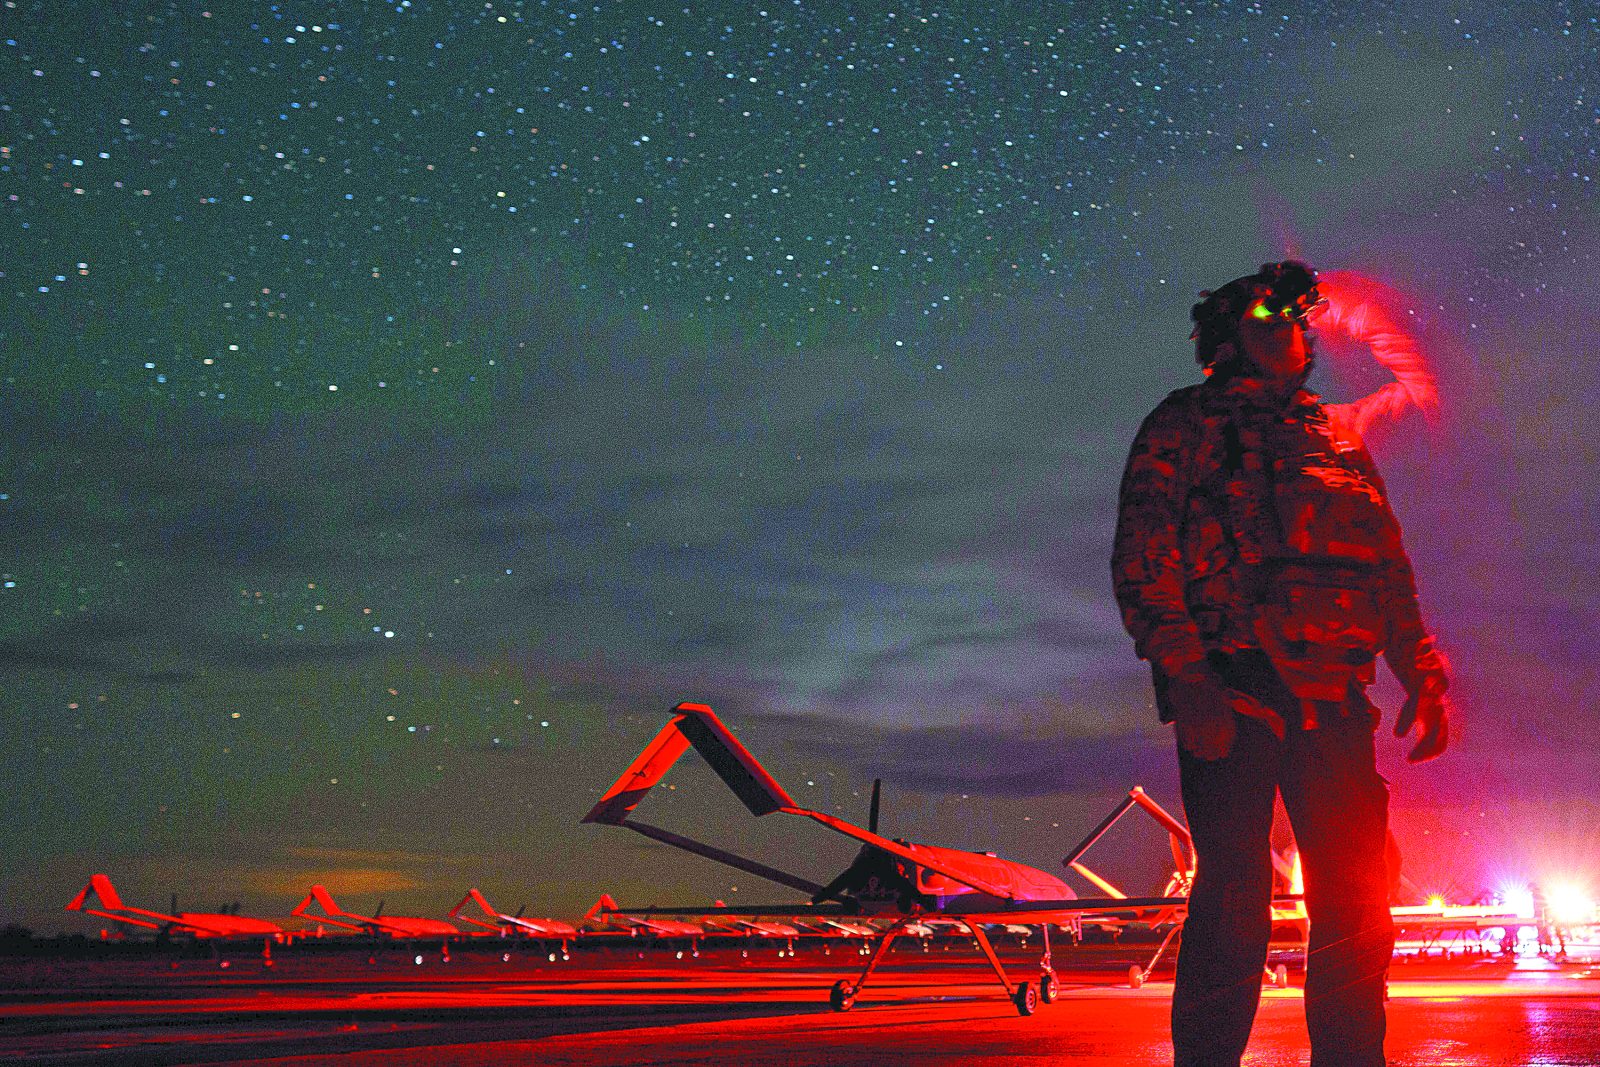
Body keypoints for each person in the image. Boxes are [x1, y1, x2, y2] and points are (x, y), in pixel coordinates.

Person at [1111, 260, 1452, 1067]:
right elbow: (1145, 554)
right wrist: (1188, 676)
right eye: (1268, 317)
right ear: (1226, 337)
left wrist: (1422, 669)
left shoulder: (1334, 434)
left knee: (1357, 899)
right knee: (1234, 899)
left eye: (1297, 319)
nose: (1291, 329)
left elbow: (1384, 560)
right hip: (1233, 686)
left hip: (1334, 696)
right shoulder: (1184, 422)